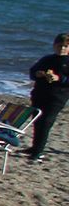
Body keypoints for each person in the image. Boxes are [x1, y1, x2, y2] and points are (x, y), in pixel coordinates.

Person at [27, 33, 69, 162]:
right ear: (54, 46)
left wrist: (59, 78)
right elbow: (32, 72)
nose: (62, 49)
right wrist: (38, 74)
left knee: (46, 122)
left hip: (58, 97)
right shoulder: (47, 59)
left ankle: (38, 153)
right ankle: (35, 147)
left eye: (65, 46)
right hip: (40, 93)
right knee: (37, 121)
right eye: (59, 46)